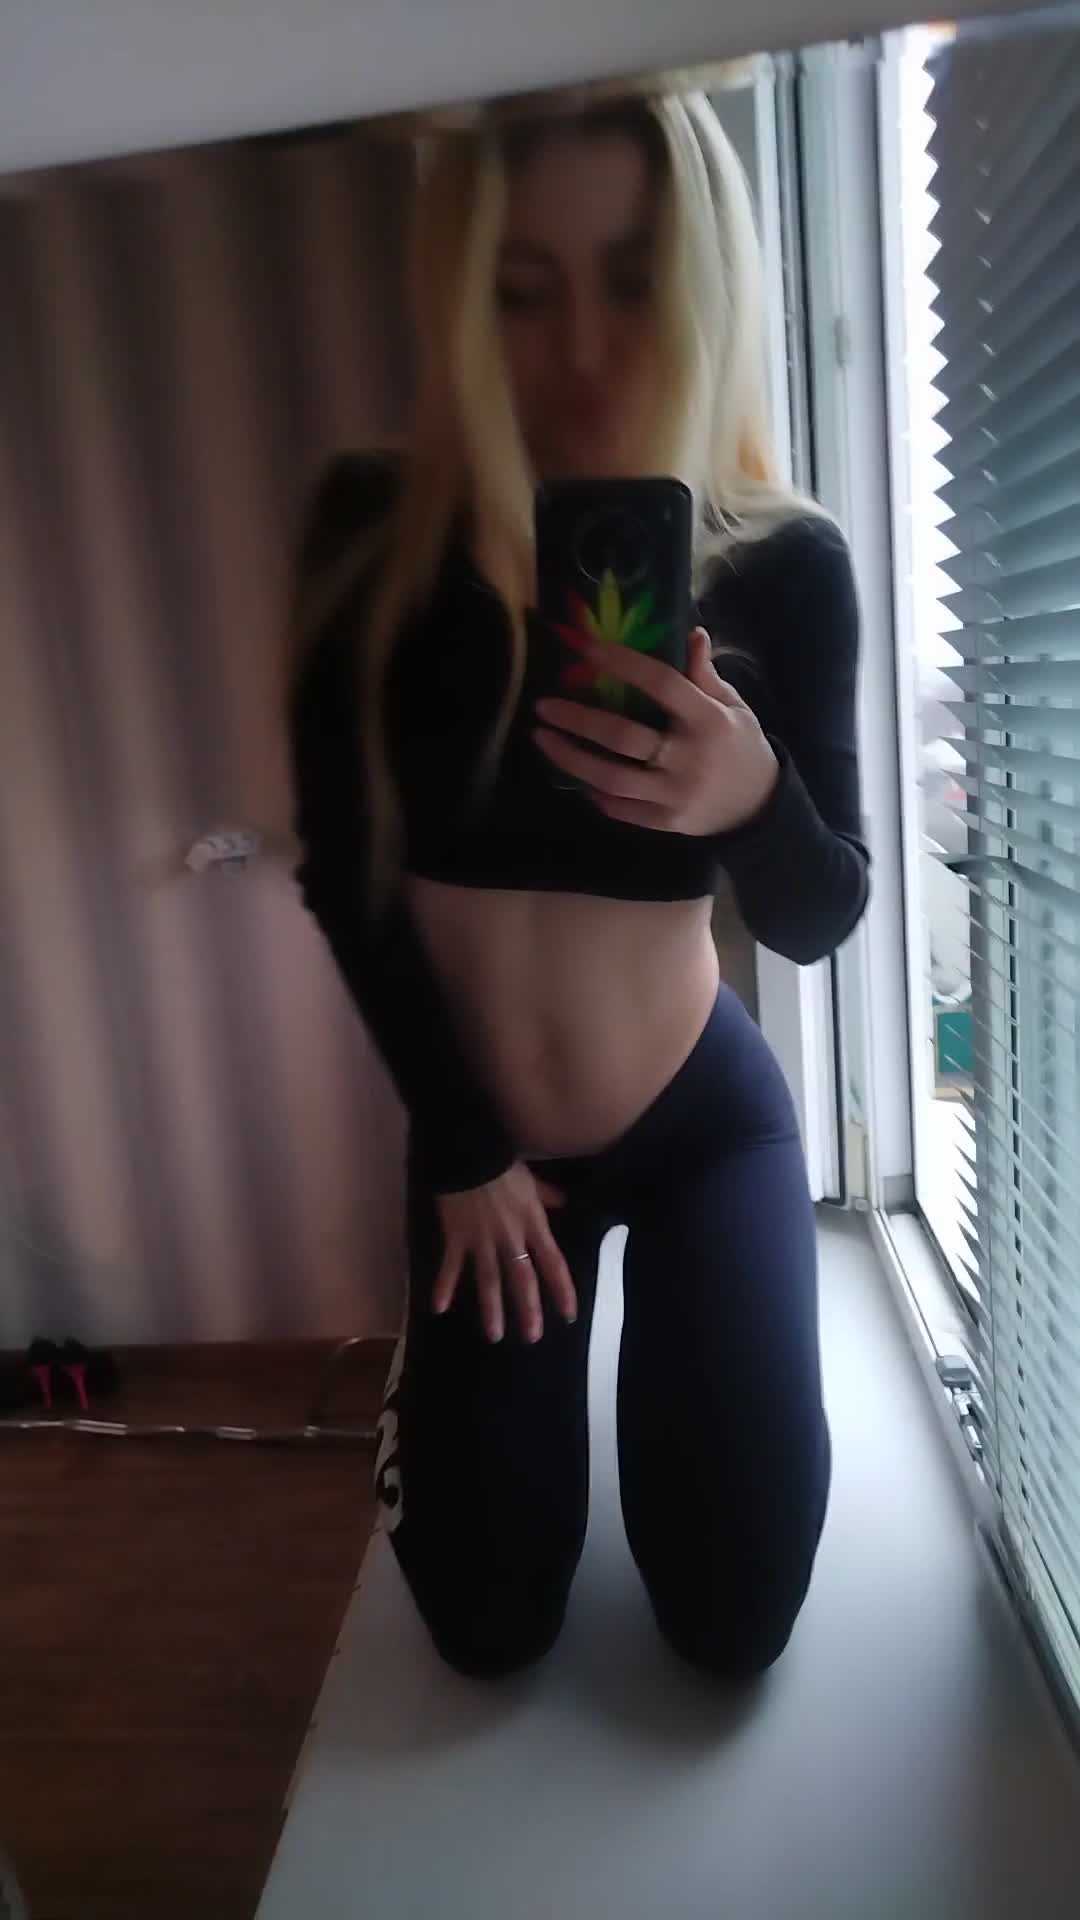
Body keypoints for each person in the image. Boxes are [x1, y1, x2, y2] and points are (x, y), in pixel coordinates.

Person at [288, 90, 869, 1683]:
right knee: (485, 1627)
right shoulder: (371, 535)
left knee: (735, 1625)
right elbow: (346, 873)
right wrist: (461, 1146)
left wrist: (752, 800)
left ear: (704, 288)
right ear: (461, 302)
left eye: (633, 281)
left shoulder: (787, 564)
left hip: (702, 1124)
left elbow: (822, 913)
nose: (586, 351)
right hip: (489, 1159)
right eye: (522, 291)